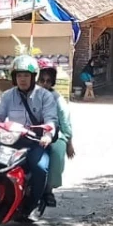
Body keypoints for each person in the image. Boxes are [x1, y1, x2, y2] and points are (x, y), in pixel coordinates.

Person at [0, 54, 57, 221]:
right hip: (11, 140)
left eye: (26, 76)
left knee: (40, 168)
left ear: (33, 77)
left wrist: (48, 135)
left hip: (36, 143)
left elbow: (51, 119)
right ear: (14, 78)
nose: (23, 79)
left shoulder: (45, 96)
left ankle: (32, 205)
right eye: (19, 75)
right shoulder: (8, 95)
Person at [36, 58, 75, 207]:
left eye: (47, 81)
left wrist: (69, 142)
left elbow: (65, 121)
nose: (44, 84)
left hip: (54, 134)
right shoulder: (28, 94)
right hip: (30, 132)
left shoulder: (57, 99)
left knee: (57, 153)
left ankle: (48, 190)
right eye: (41, 80)